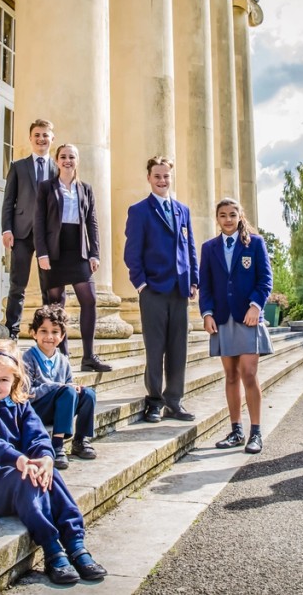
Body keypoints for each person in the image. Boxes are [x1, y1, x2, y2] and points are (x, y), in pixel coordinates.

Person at [0, 339, 107, 585]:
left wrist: (45, 458)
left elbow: (36, 434)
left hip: (18, 480)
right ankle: (52, 548)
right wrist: (19, 460)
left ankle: (76, 543)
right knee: (25, 475)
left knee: (50, 473)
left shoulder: (20, 404)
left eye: (4, 380)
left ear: (15, 381)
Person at [123, 156, 199, 423]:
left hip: (179, 290)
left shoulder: (183, 210)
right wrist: (141, 284)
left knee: (179, 349)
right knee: (155, 349)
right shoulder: (139, 211)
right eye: (157, 176)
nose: (162, 180)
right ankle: (154, 401)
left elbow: (189, 248)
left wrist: (194, 280)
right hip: (153, 289)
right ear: (149, 178)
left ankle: (174, 401)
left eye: (166, 176)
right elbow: (132, 253)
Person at [199, 198, 273, 454]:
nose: (228, 219)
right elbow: (205, 285)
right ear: (217, 218)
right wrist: (206, 313)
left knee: (248, 374)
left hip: (248, 317)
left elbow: (265, 279)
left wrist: (256, 306)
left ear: (240, 216)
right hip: (221, 318)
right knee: (230, 375)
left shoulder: (255, 243)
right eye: (223, 215)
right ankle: (236, 430)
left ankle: (256, 432)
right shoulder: (209, 248)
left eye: (232, 214)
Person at [35, 142, 111, 372]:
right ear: (57, 161)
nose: (67, 160)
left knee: (89, 299)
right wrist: (42, 253)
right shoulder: (46, 187)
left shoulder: (85, 189)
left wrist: (95, 253)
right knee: (56, 305)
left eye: (71, 157)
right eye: (63, 156)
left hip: (78, 250)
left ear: (77, 161)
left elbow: (92, 222)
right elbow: (39, 222)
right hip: (54, 250)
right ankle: (62, 355)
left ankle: (89, 356)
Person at [22, 305, 98, 471]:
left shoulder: (63, 360)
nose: (49, 336)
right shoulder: (27, 358)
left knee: (88, 393)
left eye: (55, 332)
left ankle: (80, 440)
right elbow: (26, 393)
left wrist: (76, 388)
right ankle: (57, 445)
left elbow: (69, 385)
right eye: (43, 331)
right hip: (36, 410)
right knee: (67, 390)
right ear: (33, 333)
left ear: (62, 336)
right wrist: (58, 387)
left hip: (60, 409)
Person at [1, 119, 58, 340]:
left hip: (49, 236)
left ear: (52, 138)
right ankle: (11, 329)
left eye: (45, 135)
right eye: (37, 135)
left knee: (49, 286)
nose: (41, 139)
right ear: (30, 138)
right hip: (22, 233)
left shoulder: (58, 168)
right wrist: (7, 229)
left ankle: (50, 330)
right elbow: (8, 202)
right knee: (18, 284)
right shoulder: (18, 166)